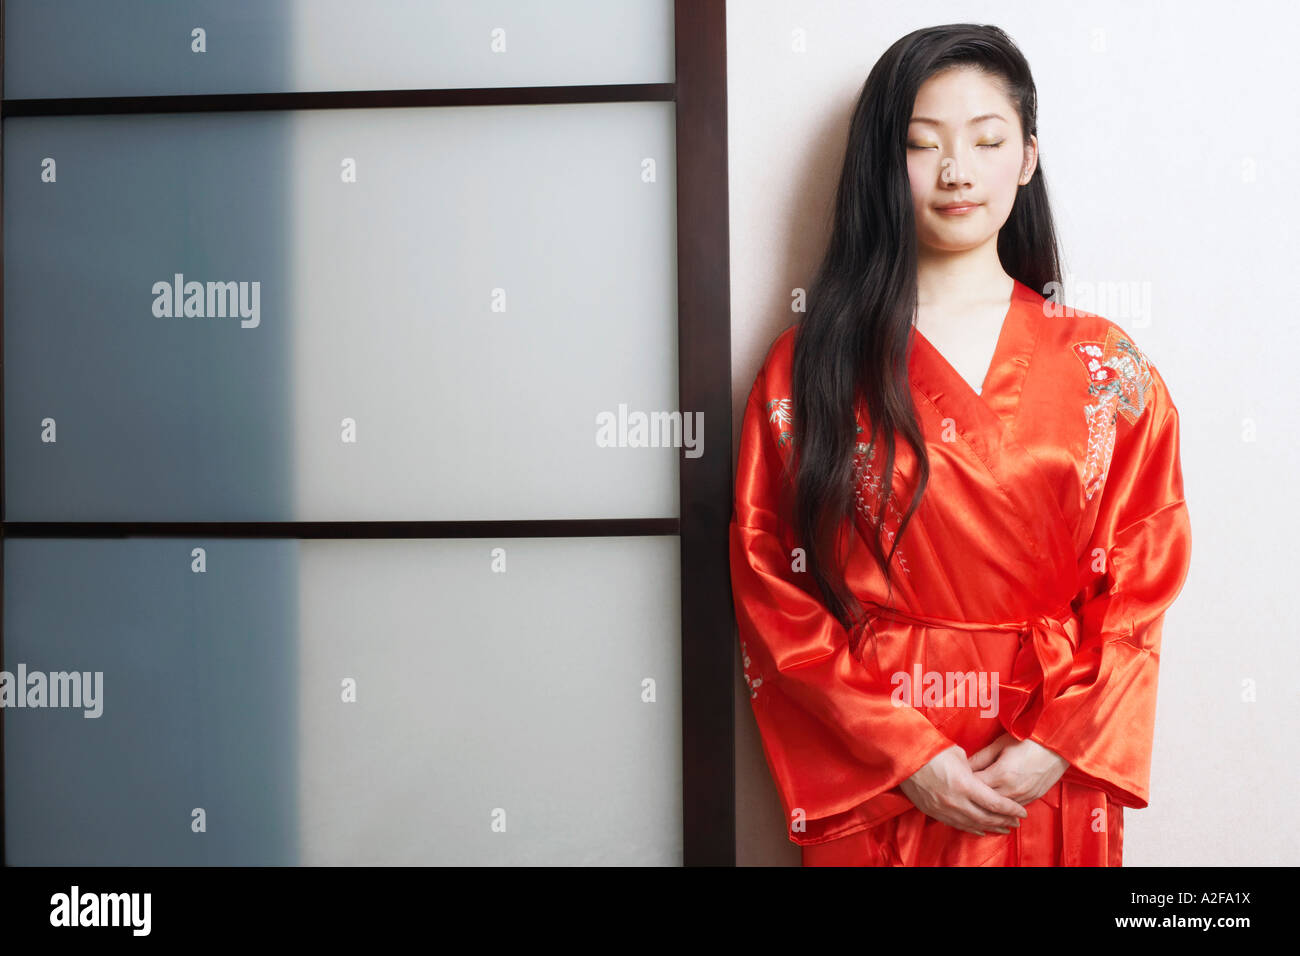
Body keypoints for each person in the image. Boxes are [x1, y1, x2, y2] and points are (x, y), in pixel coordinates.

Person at [729, 23, 1192, 866]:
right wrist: (906, 755)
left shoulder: (1104, 366)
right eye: (921, 144)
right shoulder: (813, 364)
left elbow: (1141, 580)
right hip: (882, 760)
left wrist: (1060, 741)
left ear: (1027, 157)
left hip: (1046, 759)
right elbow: (771, 586)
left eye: (987, 141)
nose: (956, 171)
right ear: (883, 161)